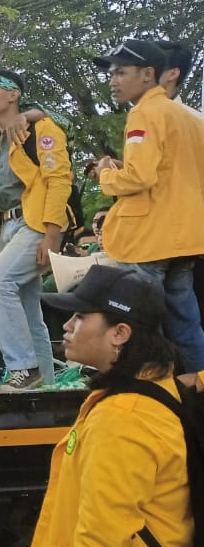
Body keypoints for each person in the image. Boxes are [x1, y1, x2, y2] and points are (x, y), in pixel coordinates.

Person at [34, 265, 191, 546]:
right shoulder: (156, 387)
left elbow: (102, 538)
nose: (67, 325)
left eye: (81, 316)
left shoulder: (121, 418)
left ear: (119, 333)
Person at [93, 38, 204, 374]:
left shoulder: (144, 113)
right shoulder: (189, 117)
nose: (113, 80)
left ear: (148, 74)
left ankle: (152, 394)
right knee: (186, 326)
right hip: (186, 237)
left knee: (140, 326)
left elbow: (139, 177)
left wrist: (105, 176)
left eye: (121, 72)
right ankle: (197, 391)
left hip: (149, 239)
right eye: (111, 73)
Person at [0, 71, 73, 390]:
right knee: (29, 311)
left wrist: (52, 234)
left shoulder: (41, 127)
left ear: (12, 94)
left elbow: (58, 180)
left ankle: (23, 368)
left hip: (35, 223)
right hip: (6, 227)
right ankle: (42, 384)